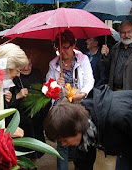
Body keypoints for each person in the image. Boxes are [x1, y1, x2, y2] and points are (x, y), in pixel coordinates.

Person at [44, 85, 132, 170]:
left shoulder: (118, 118)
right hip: (129, 145)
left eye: (64, 140)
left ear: (76, 128)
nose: (63, 144)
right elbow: (84, 160)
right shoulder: (85, 125)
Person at [46, 30, 94, 170]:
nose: (62, 51)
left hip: (79, 105)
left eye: (66, 47)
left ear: (74, 45)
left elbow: (90, 81)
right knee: (62, 142)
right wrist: (55, 83)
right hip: (62, 107)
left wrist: (82, 93)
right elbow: (48, 85)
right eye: (59, 47)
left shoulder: (83, 59)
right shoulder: (53, 64)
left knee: (79, 139)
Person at [9, 51, 50, 169]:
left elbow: (44, 91)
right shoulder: (14, 76)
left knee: (35, 146)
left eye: (30, 64)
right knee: (22, 147)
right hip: (22, 120)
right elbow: (9, 102)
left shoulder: (37, 73)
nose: (27, 68)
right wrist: (18, 96)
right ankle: (22, 166)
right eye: (24, 65)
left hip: (36, 118)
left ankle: (33, 166)